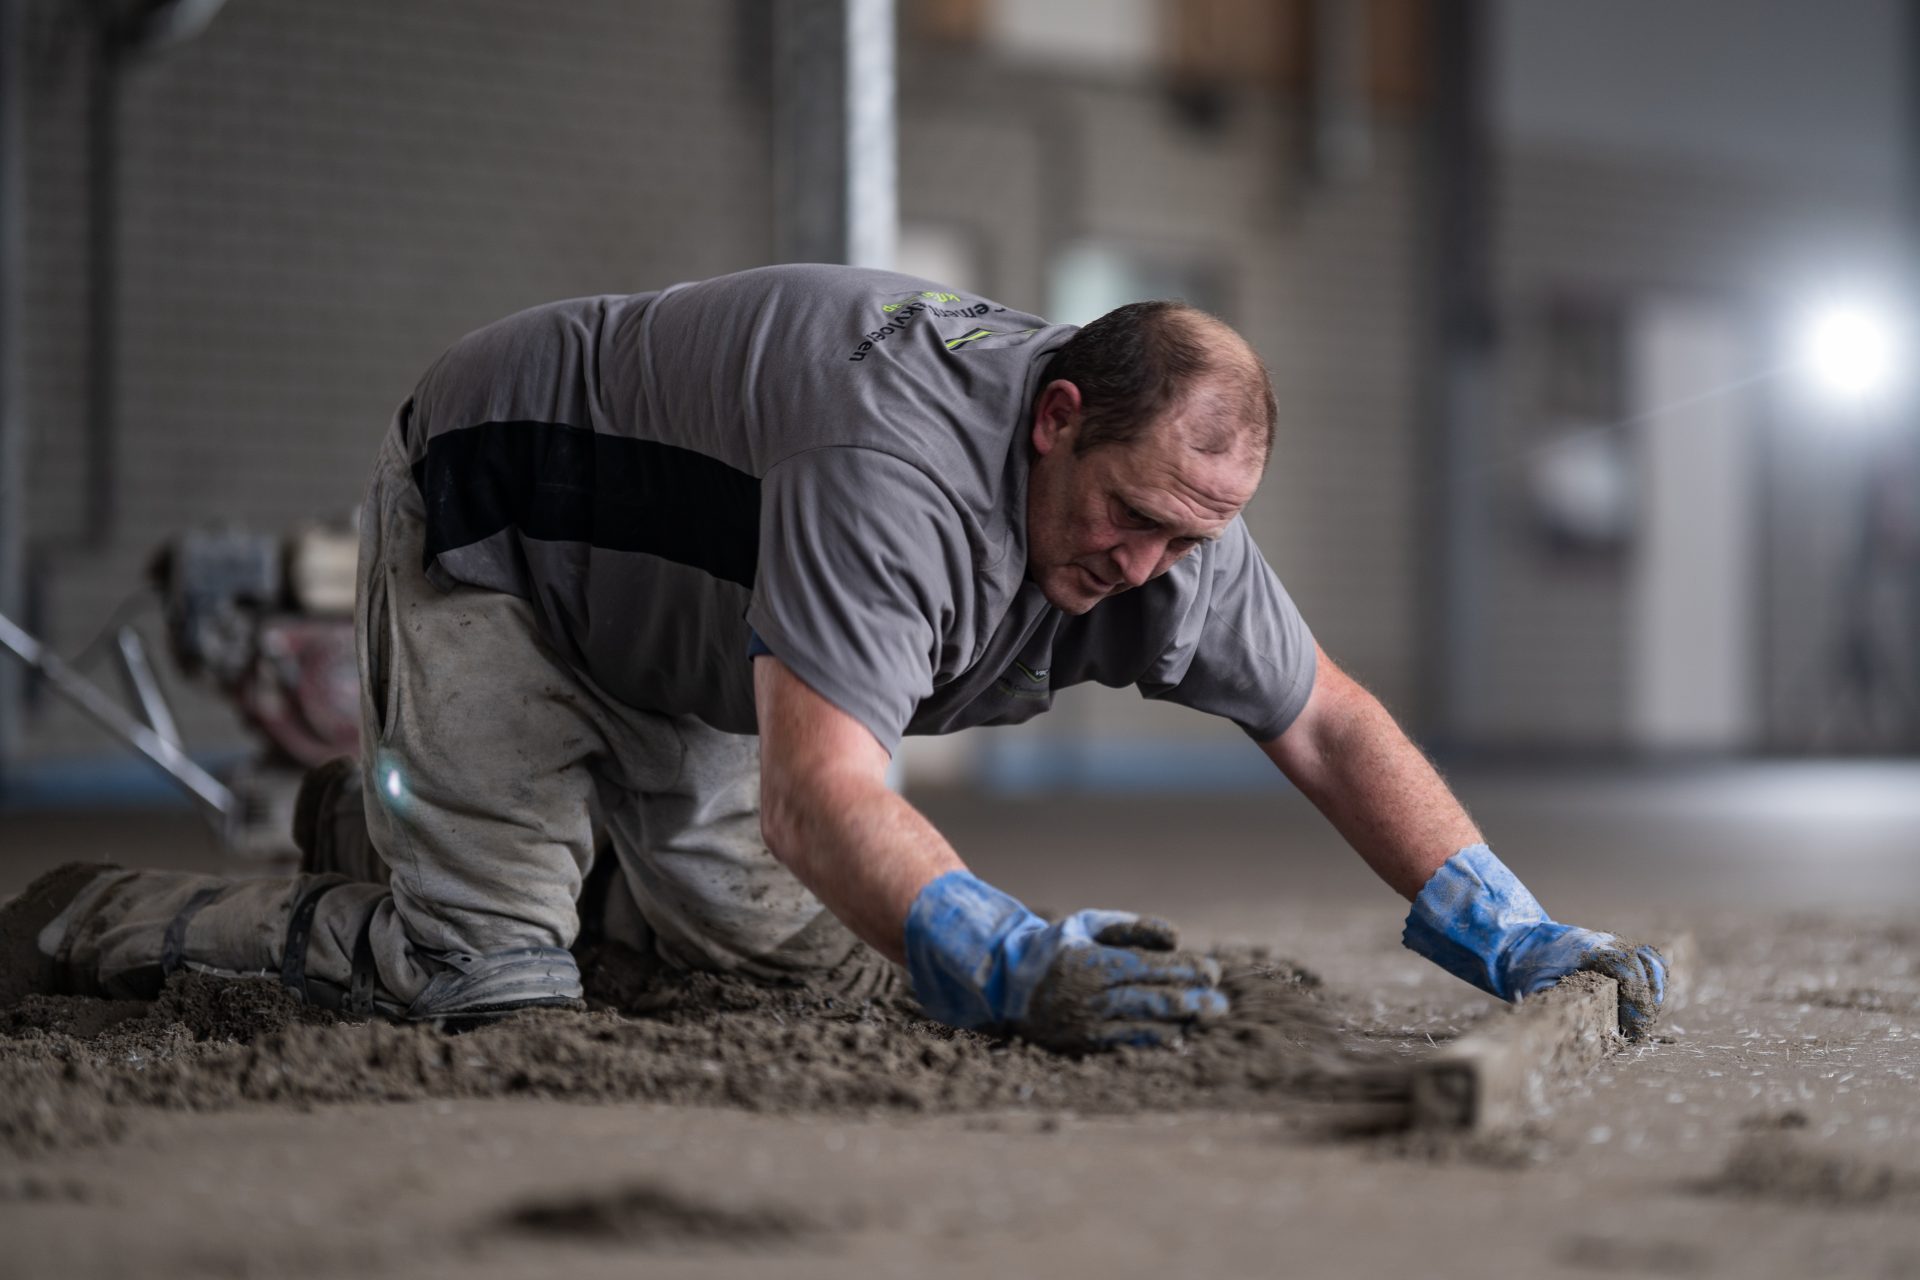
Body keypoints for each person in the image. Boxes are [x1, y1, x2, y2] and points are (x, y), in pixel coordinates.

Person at [2, 265, 1665, 1050]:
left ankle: (413, 825)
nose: (1146, 573)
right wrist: (1013, 960)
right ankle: (110, 915)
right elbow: (820, 798)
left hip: (697, 639)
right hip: (507, 532)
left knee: (771, 956)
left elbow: (1330, 724)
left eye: (1191, 543)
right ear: (1055, 421)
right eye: (1132, 518)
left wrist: (1504, 926)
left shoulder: (1170, 537)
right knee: (491, 985)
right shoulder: (893, 478)